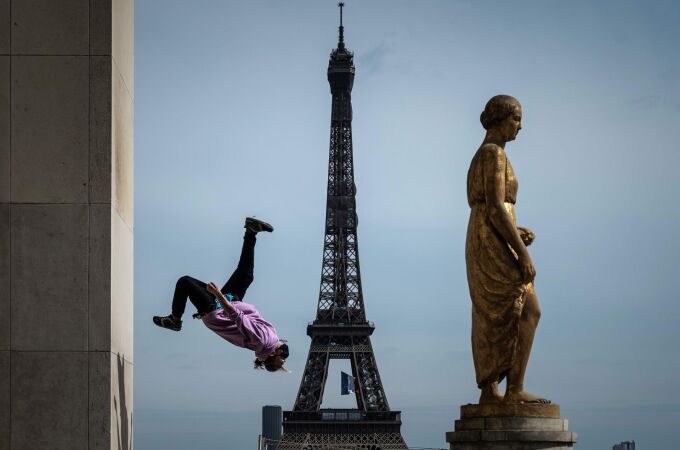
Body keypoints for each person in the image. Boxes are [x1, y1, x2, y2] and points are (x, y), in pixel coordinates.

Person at [465, 95, 549, 404]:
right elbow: (497, 207)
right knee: (528, 309)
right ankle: (512, 389)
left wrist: (516, 229)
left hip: (488, 235)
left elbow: (493, 208)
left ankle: (494, 389)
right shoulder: (493, 155)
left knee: (495, 312)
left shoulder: (484, 154)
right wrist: (524, 255)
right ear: (501, 119)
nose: (520, 126)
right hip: (492, 238)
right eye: (516, 118)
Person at [153, 217, 289, 372]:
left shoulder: (261, 340)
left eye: (282, 356)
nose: (285, 354)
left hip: (217, 311)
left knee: (185, 282)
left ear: (275, 352)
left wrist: (218, 294)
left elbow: (236, 316)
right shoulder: (270, 340)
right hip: (231, 302)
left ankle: (175, 319)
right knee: (246, 274)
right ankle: (251, 231)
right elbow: (267, 351)